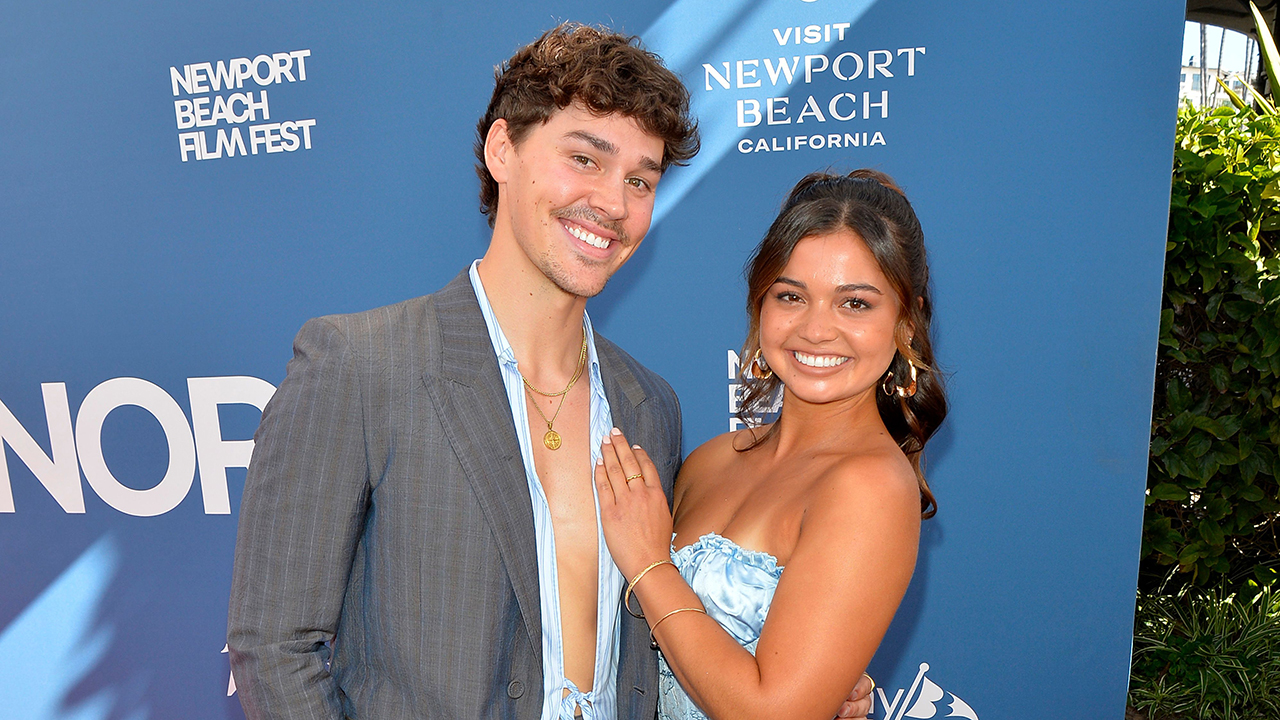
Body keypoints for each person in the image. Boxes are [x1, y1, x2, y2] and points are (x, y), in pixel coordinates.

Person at [226, 24, 874, 720]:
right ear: (502, 149)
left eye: (639, 179)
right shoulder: (361, 366)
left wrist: (802, 681)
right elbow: (274, 647)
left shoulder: (649, 405)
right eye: (584, 159)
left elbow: (658, 645)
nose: (613, 204)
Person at [595, 170, 947, 720]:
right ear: (760, 307)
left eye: (855, 303)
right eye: (791, 296)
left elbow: (773, 712)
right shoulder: (712, 460)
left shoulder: (870, 485)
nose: (815, 328)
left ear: (905, 320)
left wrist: (647, 566)